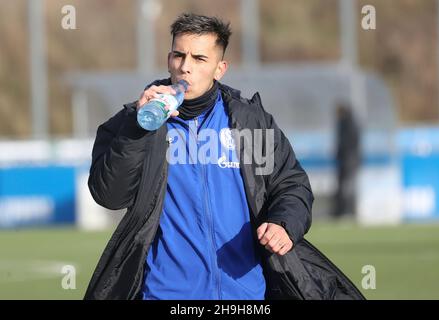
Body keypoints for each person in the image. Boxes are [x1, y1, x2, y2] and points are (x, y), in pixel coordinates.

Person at [84, 13, 364, 300]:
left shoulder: (251, 120)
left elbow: (291, 184)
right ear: (169, 59)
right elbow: (109, 195)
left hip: (245, 295)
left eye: (199, 59)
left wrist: (283, 224)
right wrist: (137, 128)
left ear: (220, 68)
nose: (185, 67)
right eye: (178, 55)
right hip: (165, 294)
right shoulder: (133, 122)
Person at [333, 103, 361, 219]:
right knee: (344, 186)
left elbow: (348, 143)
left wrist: (343, 154)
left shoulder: (348, 124)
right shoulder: (347, 123)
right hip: (347, 160)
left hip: (349, 160)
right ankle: (342, 211)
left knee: (346, 186)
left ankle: (347, 211)